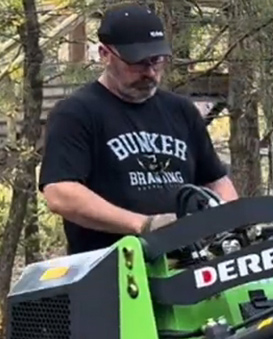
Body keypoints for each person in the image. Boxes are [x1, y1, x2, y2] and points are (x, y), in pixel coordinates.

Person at [39, 2, 238, 255]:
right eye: (137, 63)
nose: (150, 72)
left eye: (157, 61)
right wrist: (143, 225)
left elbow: (216, 181)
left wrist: (230, 227)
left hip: (190, 264)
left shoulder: (181, 111)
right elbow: (60, 193)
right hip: (113, 271)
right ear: (104, 54)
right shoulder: (76, 113)